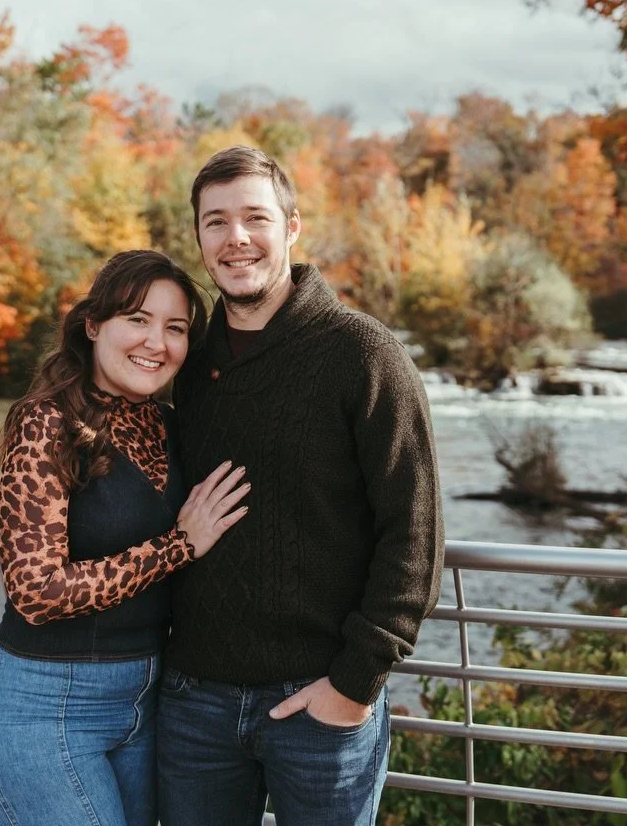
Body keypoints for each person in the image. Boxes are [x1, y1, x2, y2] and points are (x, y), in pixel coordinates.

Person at [157, 146, 445, 826]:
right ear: (198, 237)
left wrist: (355, 683)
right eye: (215, 222)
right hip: (193, 702)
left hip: (322, 705)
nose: (236, 239)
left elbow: (414, 529)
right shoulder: (187, 364)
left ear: (291, 226)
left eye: (254, 218)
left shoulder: (362, 353)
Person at [0, 250, 252, 826]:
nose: (156, 342)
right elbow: (35, 589)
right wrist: (177, 545)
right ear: (93, 325)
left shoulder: (168, 425)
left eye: (175, 328)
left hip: (144, 704)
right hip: (42, 708)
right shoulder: (46, 420)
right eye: (137, 320)